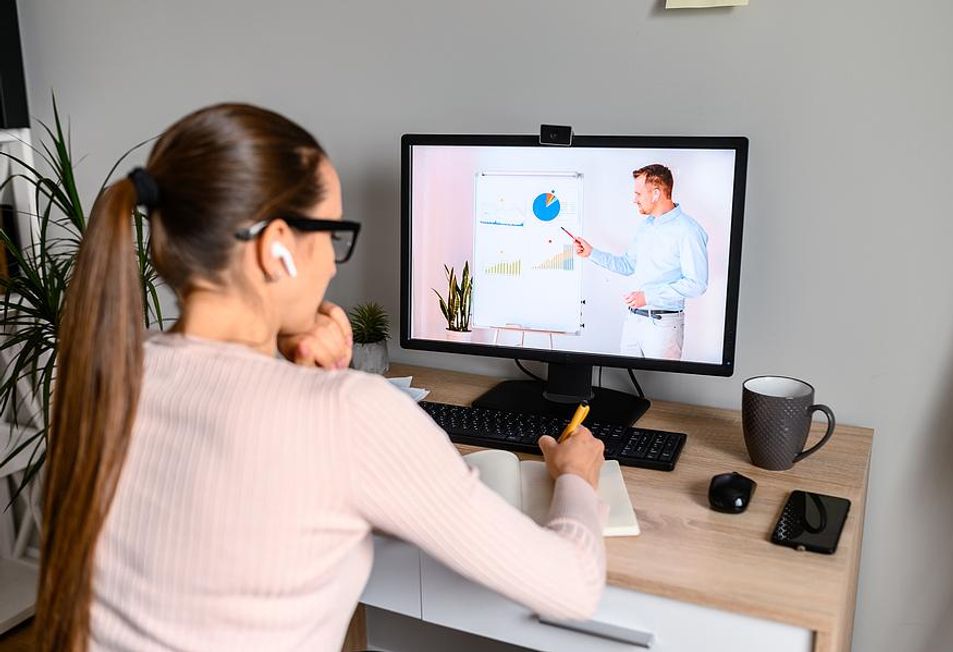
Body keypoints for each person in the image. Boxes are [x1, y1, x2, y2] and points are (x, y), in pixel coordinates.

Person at [35, 104, 607, 652]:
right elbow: (572, 587)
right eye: (332, 236)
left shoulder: (101, 372)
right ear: (277, 248)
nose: (334, 264)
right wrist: (576, 478)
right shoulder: (346, 415)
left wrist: (306, 372)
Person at [573, 164, 708, 360]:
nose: (634, 199)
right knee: (627, 380)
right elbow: (628, 265)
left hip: (663, 326)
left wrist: (649, 296)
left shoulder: (689, 231)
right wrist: (591, 253)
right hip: (633, 321)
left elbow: (697, 284)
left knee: (658, 385)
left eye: (638, 194)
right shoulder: (646, 226)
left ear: (655, 193)